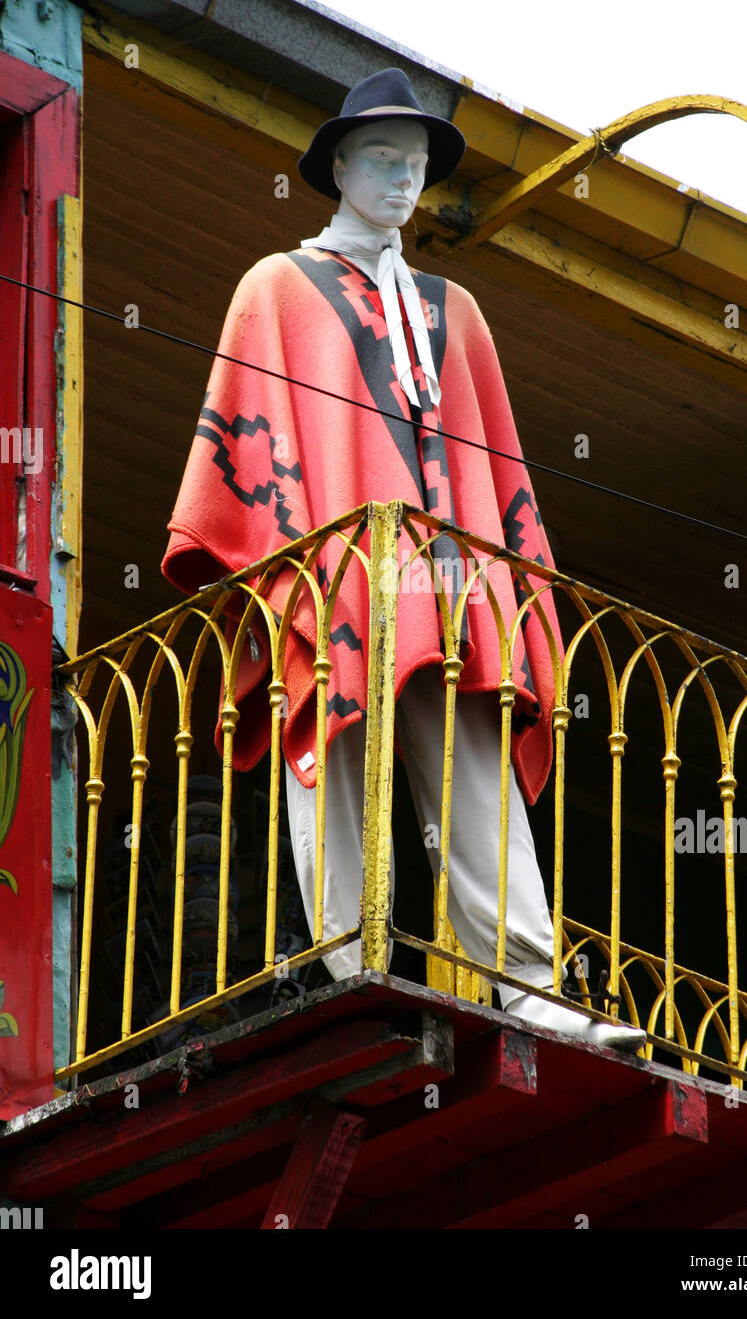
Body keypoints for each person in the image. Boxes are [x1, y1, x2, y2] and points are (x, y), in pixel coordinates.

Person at [163, 69, 645, 1051]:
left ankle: (531, 985)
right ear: (338, 166)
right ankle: (356, 973)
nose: (399, 179)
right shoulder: (276, 285)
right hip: (329, 577)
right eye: (381, 158)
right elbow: (249, 446)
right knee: (330, 756)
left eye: (415, 164)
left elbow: (489, 458)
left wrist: (504, 590)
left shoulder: (452, 308)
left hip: (444, 587)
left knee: (476, 773)